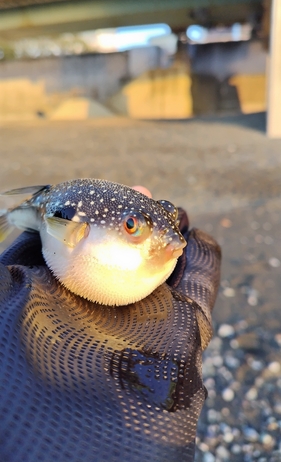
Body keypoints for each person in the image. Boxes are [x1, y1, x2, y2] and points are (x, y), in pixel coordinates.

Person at [0, 187, 221, 462]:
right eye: (133, 225)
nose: (175, 240)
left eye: (171, 219)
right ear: (79, 230)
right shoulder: (65, 225)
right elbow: (51, 221)